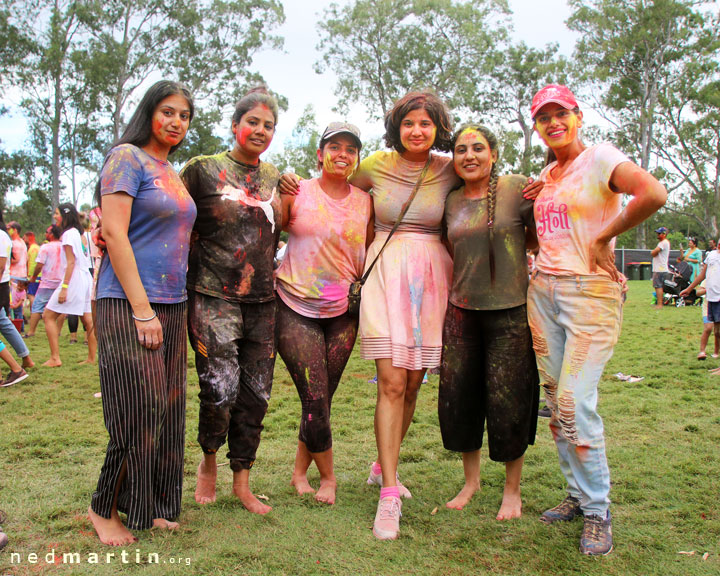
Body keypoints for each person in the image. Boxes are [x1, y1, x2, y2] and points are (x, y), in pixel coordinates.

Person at [526, 84, 666, 555]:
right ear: (537, 126)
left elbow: (653, 193)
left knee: (573, 403)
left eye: (560, 113)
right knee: (554, 405)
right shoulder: (547, 174)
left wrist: (605, 239)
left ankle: (598, 510)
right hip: (543, 292)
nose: (553, 123)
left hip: (590, 294)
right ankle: (576, 495)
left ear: (578, 116)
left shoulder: (602, 157)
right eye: (543, 117)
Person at [88, 79, 196, 546]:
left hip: (173, 304)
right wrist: (142, 310)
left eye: (184, 116)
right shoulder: (125, 158)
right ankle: (103, 507)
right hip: (129, 303)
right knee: (135, 410)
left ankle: (148, 506)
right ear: (150, 111)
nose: (176, 122)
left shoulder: (171, 170)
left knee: (167, 411)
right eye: (168, 112)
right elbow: (113, 232)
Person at [181, 87, 281, 515]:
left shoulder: (276, 179)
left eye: (269, 125)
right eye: (253, 122)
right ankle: (208, 461)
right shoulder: (201, 171)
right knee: (219, 390)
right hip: (211, 296)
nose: (260, 130)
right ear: (235, 125)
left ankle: (243, 479)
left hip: (263, 301)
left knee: (256, 394)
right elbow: (163, 207)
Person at [439, 124, 539, 519]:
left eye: (478, 148)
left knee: (509, 400)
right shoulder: (451, 201)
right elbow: (452, 247)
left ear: (493, 153)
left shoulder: (517, 188)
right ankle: (471, 482)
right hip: (461, 313)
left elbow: (541, 232)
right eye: (461, 149)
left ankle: (512, 491)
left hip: (511, 314)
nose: (469, 156)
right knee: (460, 399)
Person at [275, 122, 373, 505]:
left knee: (322, 398)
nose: (342, 154)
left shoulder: (366, 201)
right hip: (295, 306)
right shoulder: (296, 189)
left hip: (344, 312)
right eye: (335, 146)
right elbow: (268, 230)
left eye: (350, 149)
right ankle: (329, 479)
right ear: (320, 153)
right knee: (315, 396)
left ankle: (300, 472)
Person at [42, 204, 96, 367]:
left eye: (57, 214)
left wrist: (64, 287)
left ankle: (55, 358)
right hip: (86, 277)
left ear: (65, 216)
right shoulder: (79, 234)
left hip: (74, 278)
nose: (55, 217)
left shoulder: (67, 235)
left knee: (48, 315)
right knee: (88, 319)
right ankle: (92, 358)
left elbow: (71, 261)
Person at [681, 239, 720, 374]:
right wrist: (689, 288)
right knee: (717, 332)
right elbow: (703, 275)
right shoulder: (711, 256)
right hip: (712, 299)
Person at [0, 214, 34, 369]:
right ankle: (25, 358)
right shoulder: (8, 238)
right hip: (7, 281)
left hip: (3, 282)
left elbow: (0, 265)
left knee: (6, 321)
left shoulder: (2, 236)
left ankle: (16, 367)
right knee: (4, 323)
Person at [25, 226, 63, 337]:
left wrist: (33, 277)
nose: (45, 234)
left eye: (47, 232)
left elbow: (39, 264)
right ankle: (58, 331)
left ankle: (31, 331)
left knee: (37, 306)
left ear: (51, 234)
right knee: (61, 307)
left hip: (47, 282)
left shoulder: (45, 247)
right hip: (61, 282)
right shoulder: (64, 246)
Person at [694, 281, 719, 360]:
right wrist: (708, 290)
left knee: (717, 331)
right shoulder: (709, 278)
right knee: (708, 328)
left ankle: (716, 352)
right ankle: (702, 351)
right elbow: (698, 292)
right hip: (708, 307)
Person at [651, 226, 670, 308]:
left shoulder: (663, 243)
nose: (657, 235)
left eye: (659, 233)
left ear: (664, 234)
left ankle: (659, 304)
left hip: (660, 268)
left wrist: (653, 252)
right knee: (659, 286)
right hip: (661, 268)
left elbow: (654, 252)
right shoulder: (664, 243)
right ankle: (661, 302)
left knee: (658, 286)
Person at [23, 231, 40, 310]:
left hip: (34, 276)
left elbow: (33, 263)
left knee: (31, 295)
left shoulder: (33, 249)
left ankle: (34, 312)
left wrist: (31, 276)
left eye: (24, 238)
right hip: (39, 275)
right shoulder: (37, 247)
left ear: (28, 238)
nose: (23, 240)